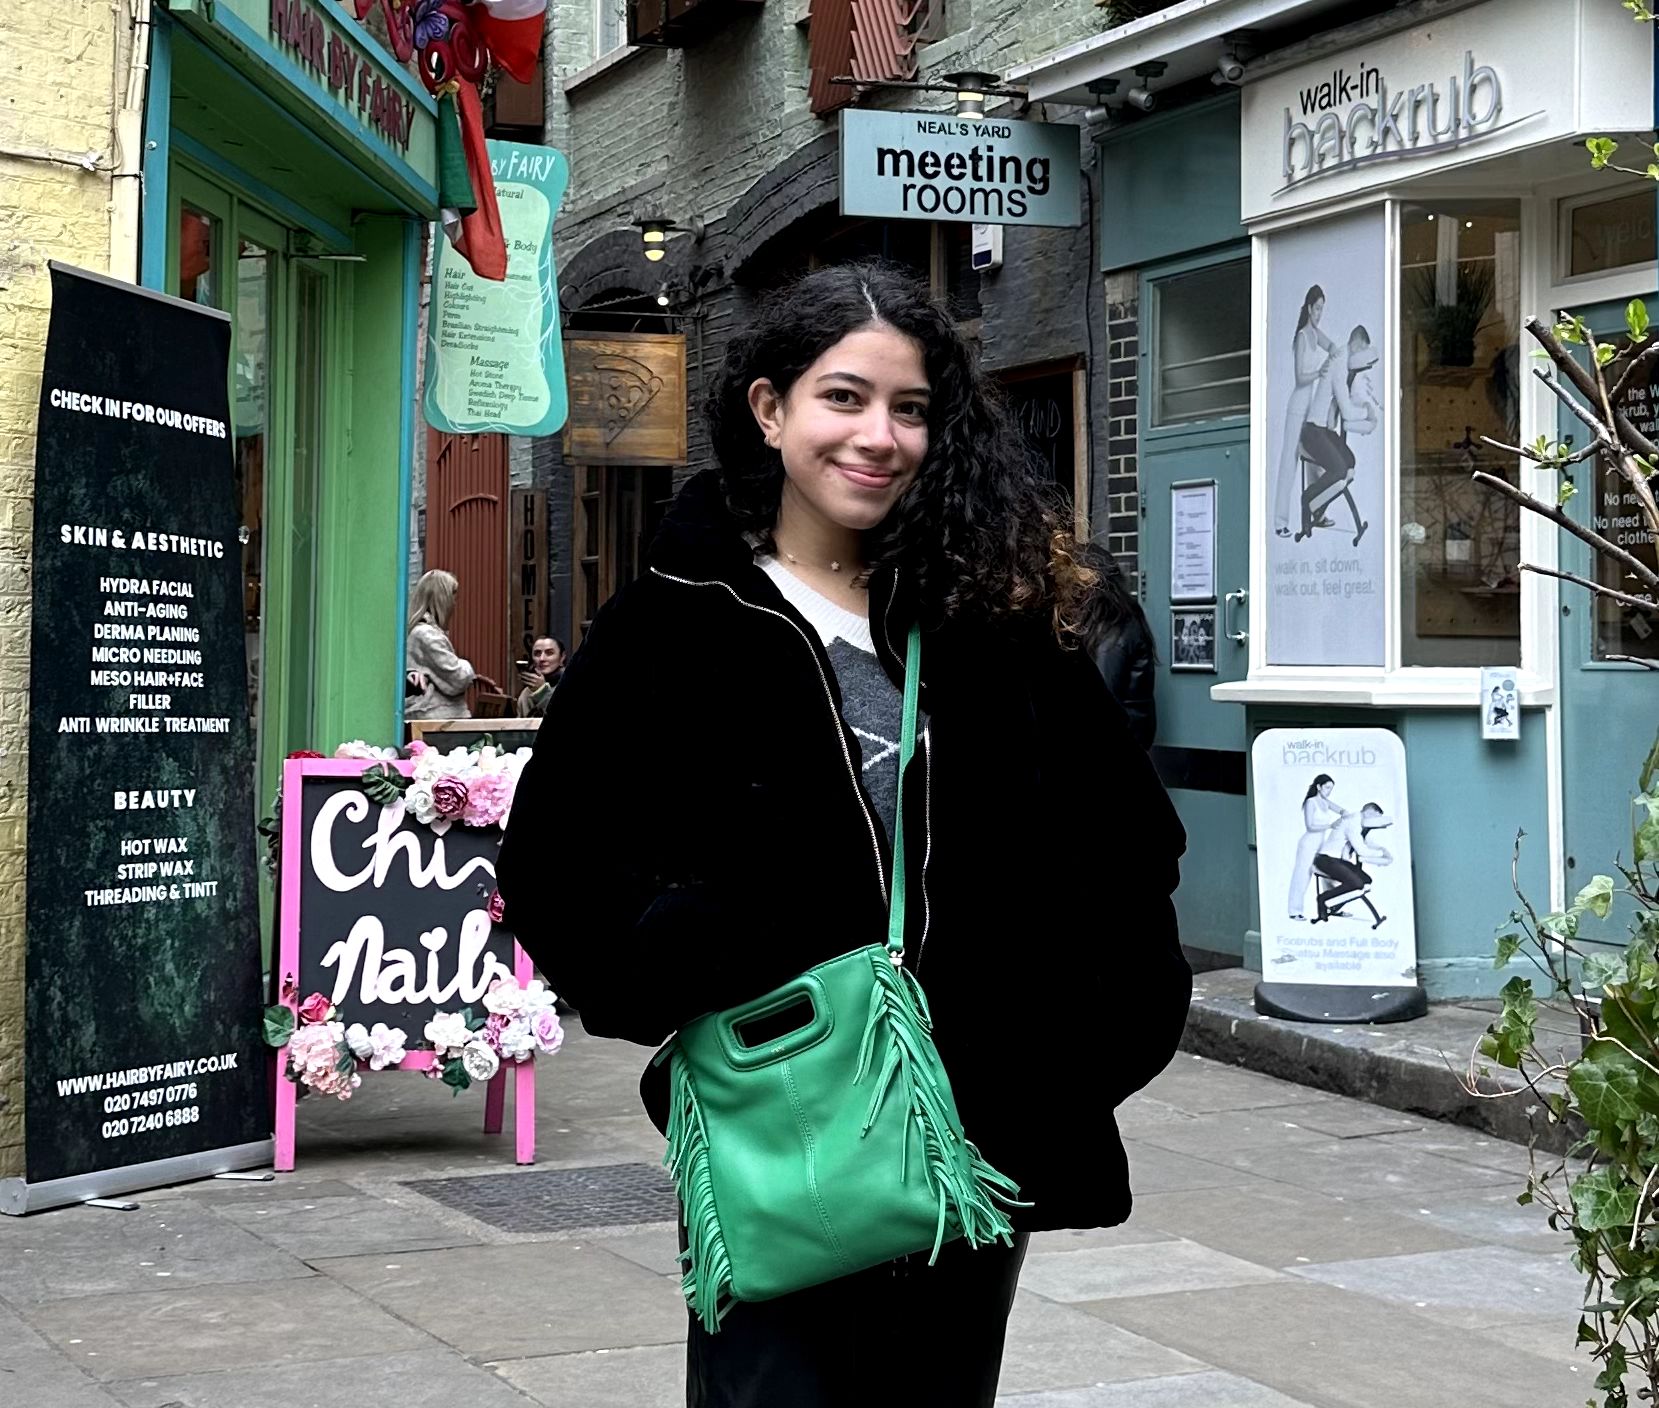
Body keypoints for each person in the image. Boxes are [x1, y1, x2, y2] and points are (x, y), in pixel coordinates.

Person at [496, 262, 1190, 1408]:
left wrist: (1084, 1043)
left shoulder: (987, 617)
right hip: (784, 1125)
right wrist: (692, 947)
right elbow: (556, 868)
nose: (879, 436)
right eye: (844, 398)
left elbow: (1127, 842)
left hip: (973, 1131)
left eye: (909, 409)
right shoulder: (673, 622)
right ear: (769, 410)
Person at [1294, 324, 1380, 545]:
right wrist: (1368, 412)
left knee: (1350, 463)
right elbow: (1349, 412)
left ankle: (1319, 509)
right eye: (1362, 352)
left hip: (1323, 429)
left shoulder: (1343, 360)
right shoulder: (1340, 363)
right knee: (1339, 469)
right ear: (1356, 344)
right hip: (1312, 432)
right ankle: (1308, 500)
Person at [1075, 542, 1156, 749]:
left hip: (1120, 743)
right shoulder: (1115, 619)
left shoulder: (1112, 629)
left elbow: (1102, 698)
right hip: (1125, 737)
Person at [1273, 285, 1339, 538]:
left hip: (1312, 408)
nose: (1320, 313)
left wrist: (1336, 361)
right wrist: (1320, 372)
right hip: (1297, 407)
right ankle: (1280, 521)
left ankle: (1318, 512)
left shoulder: (1316, 333)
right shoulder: (1302, 336)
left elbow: (1333, 346)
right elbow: (1300, 377)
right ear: (1309, 308)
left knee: (1316, 460)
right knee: (1289, 462)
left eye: (1323, 309)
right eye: (1317, 308)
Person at [404, 569, 499, 719]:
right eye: (453, 597)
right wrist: (467, 666)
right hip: (438, 718)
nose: (455, 603)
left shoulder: (417, 632)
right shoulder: (427, 635)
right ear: (442, 599)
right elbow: (458, 678)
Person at [1311, 802, 1394, 927]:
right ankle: (1322, 899)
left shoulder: (1358, 821)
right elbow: (1361, 850)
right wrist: (1382, 854)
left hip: (1337, 860)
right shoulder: (1354, 822)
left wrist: (1380, 849)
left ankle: (1335, 906)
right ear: (1369, 812)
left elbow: (1364, 843)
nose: (1376, 822)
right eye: (1375, 818)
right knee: (1357, 884)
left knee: (1367, 880)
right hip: (1325, 859)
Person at [1288, 774, 1346, 921]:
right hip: (1309, 844)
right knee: (1302, 876)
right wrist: (1330, 825)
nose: (1329, 791)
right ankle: (1294, 911)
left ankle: (1333, 906)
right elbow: (1310, 826)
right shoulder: (1311, 802)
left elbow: (1341, 810)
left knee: (1328, 873)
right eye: (1326, 788)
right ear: (1319, 787)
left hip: (1321, 844)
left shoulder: (1325, 802)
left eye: (1331, 789)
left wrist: (1346, 815)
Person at [515, 635, 567, 716]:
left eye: (549, 653)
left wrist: (542, 692)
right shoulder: (526, 693)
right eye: (537, 654)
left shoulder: (573, 685)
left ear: (562, 657)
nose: (542, 659)